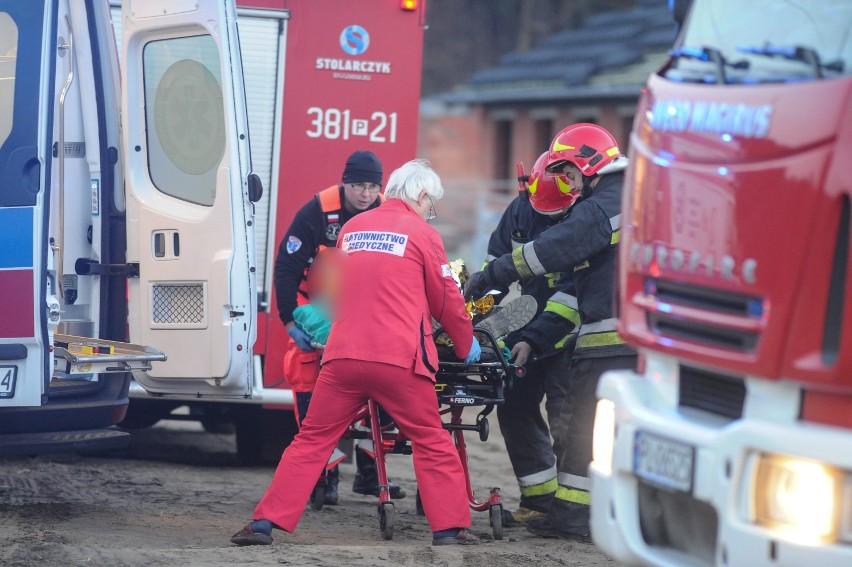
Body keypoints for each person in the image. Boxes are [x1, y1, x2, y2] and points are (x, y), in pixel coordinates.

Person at [232, 159, 482, 546]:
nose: (430, 213)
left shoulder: (351, 228)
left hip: (343, 357)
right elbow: (446, 300)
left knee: (311, 441)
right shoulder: (423, 234)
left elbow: (340, 292)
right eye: (431, 205)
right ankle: (448, 529)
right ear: (421, 196)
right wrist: (465, 345)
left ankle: (264, 523)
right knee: (432, 440)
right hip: (400, 360)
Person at [465, 123, 638, 541]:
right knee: (564, 421)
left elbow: (557, 256)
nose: (569, 184)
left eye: (571, 174)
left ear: (589, 163)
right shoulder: (532, 210)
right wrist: (489, 318)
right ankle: (555, 507)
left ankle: (576, 519)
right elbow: (572, 291)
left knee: (577, 427)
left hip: (603, 340)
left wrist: (499, 272)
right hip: (572, 332)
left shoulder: (600, 208)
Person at [272, 150, 405, 504]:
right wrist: (290, 319)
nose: (365, 193)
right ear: (345, 182)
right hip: (314, 316)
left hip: (366, 319)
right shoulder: (316, 213)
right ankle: (323, 477)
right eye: (359, 185)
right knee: (309, 393)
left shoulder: (386, 212)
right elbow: (286, 269)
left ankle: (370, 472)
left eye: (373, 186)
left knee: (379, 394)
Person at [478, 152, 581, 526]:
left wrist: (535, 338)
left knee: (567, 419)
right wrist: (477, 312)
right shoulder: (521, 209)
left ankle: (572, 513)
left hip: (571, 330)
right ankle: (539, 500)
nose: (548, 216)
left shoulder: (584, 214)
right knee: (514, 403)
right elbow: (496, 267)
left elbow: (574, 294)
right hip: (526, 322)